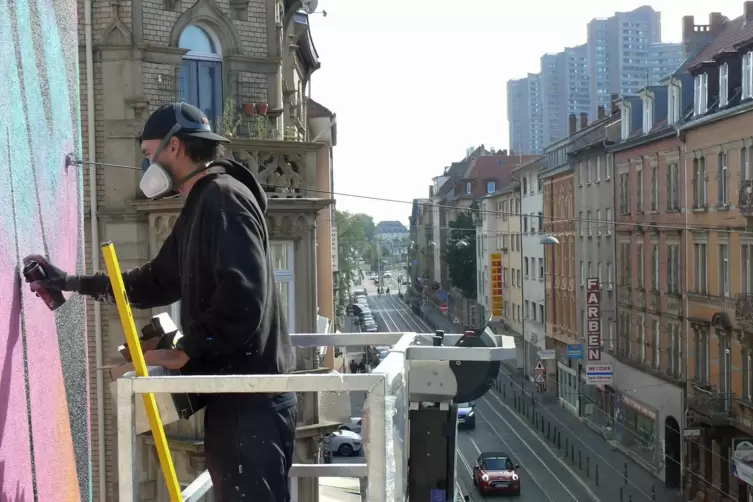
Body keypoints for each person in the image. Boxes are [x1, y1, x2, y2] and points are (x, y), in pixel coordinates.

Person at [24, 103, 296, 502]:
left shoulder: (222, 198)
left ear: (175, 147)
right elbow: (153, 282)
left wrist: (186, 350)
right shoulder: (204, 202)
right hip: (239, 400)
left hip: (249, 403)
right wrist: (70, 283)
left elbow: (243, 295)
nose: (146, 163)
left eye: (149, 153)